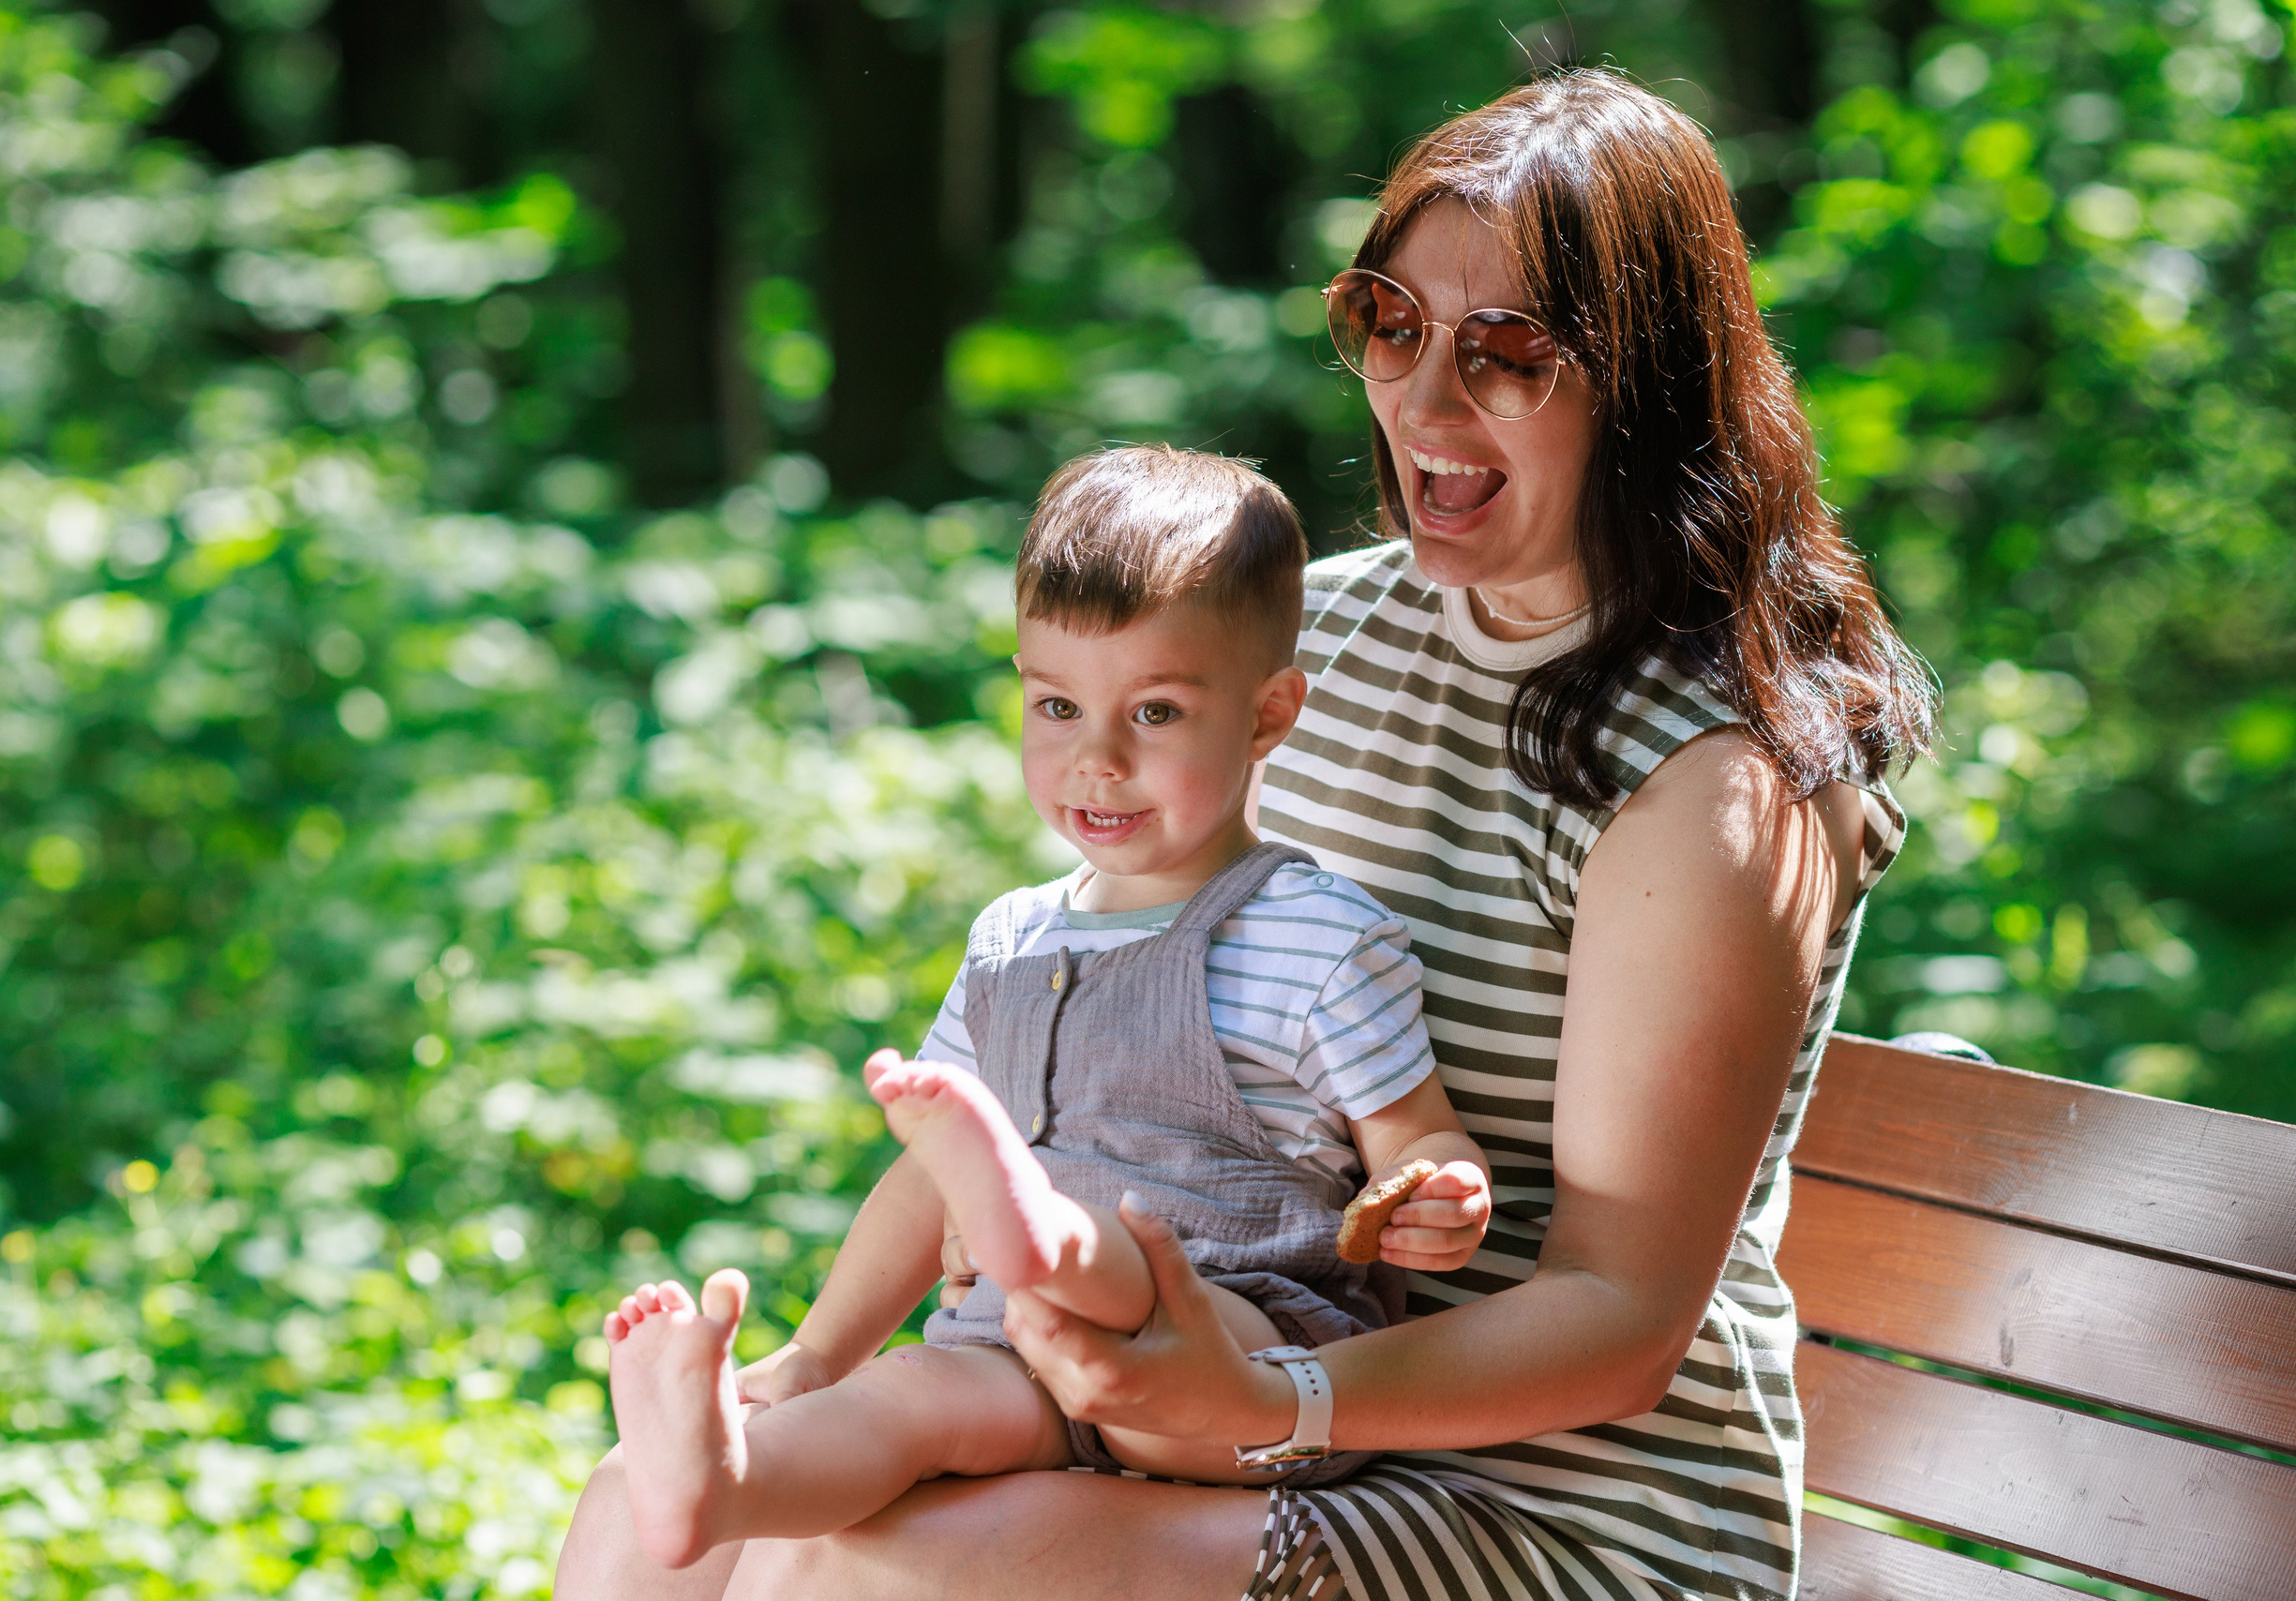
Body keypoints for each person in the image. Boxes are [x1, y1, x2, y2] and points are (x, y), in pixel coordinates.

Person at [556, 67, 1937, 1601]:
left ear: (1647, 382)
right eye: (1392, 324)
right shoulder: (1307, 639)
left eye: (1505, 354)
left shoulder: (1718, 778)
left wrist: (1266, 1397)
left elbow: (1618, 1320)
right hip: (1221, 1394)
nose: (1424, 402)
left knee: (889, 1574)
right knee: (659, 1518)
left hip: (1559, 1506)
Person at [590, 444, 1493, 1570]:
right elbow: (923, 1184)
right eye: (1058, 705)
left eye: (1154, 712)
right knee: (905, 1400)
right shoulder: (1012, 940)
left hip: (1237, 1359)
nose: (1095, 759)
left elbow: (1419, 1138)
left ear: (1267, 715)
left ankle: (1043, 1235)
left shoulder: (1314, 935)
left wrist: (1442, 1191)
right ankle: (719, 1483)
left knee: (1109, 1274)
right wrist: (813, 1358)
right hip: (1018, 1354)